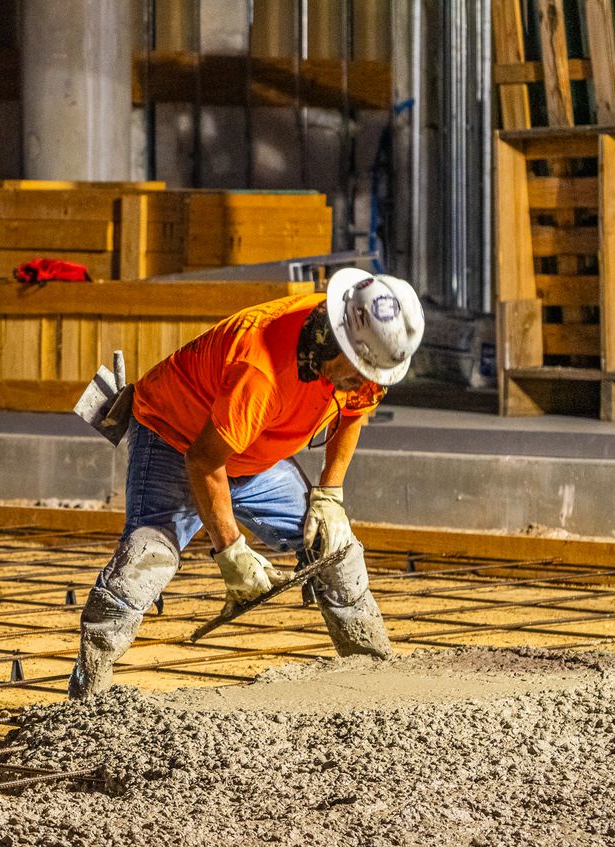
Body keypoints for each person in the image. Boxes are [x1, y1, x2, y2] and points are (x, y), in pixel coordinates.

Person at [69, 269, 424, 698]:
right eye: (359, 372)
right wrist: (232, 551)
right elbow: (202, 461)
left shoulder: (364, 355)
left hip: (250, 451)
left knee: (335, 547)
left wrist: (330, 494)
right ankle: (86, 701)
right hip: (176, 436)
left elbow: (353, 411)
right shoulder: (259, 370)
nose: (368, 384)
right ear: (334, 341)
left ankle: (371, 675)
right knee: (147, 559)